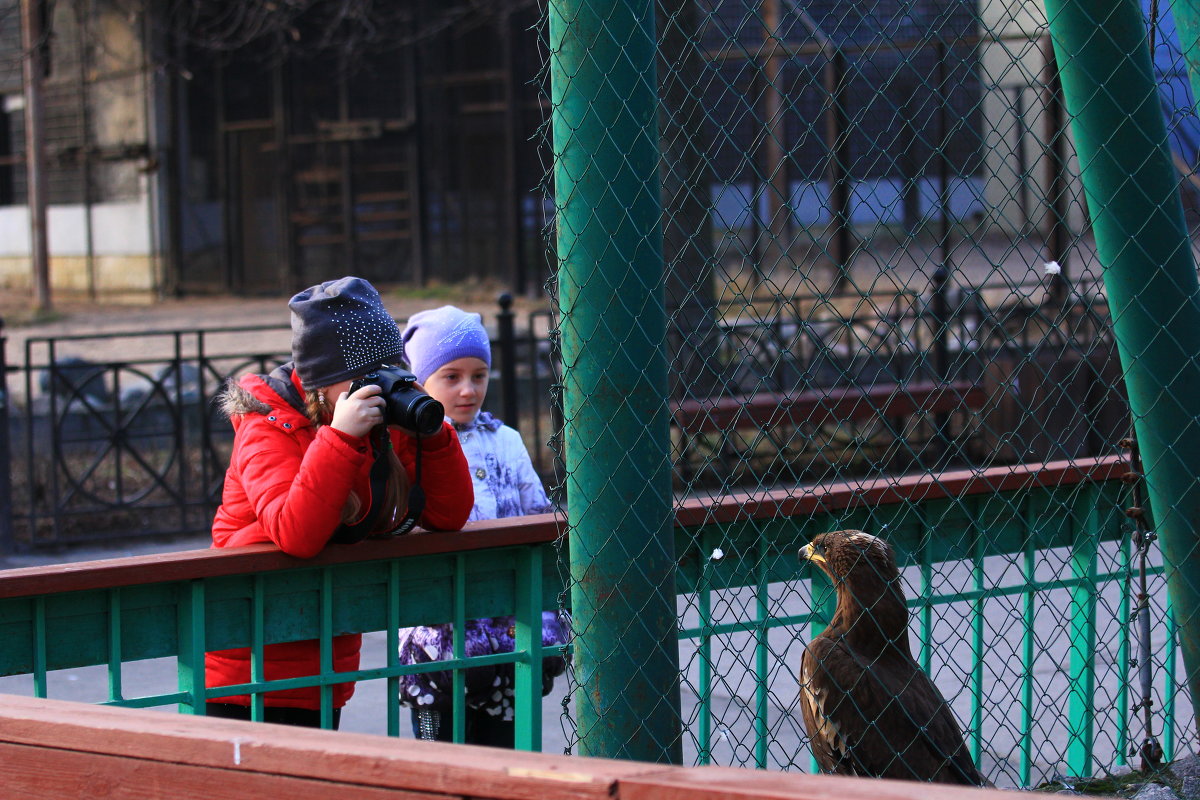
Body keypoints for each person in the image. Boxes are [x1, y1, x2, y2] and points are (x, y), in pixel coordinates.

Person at [204, 277, 474, 729]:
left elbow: (448, 514)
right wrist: (340, 438)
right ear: (321, 384)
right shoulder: (268, 427)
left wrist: (432, 431)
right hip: (245, 672)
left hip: (323, 664)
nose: (380, 385)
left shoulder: (376, 425)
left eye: (388, 369)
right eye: (365, 376)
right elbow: (296, 533)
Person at [396, 305, 567, 746]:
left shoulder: (505, 441)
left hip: (508, 633)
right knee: (440, 759)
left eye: (479, 375)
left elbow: (538, 517)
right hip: (438, 637)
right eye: (450, 377)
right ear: (418, 380)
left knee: (504, 751)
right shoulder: (407, 446)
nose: (468, 390)